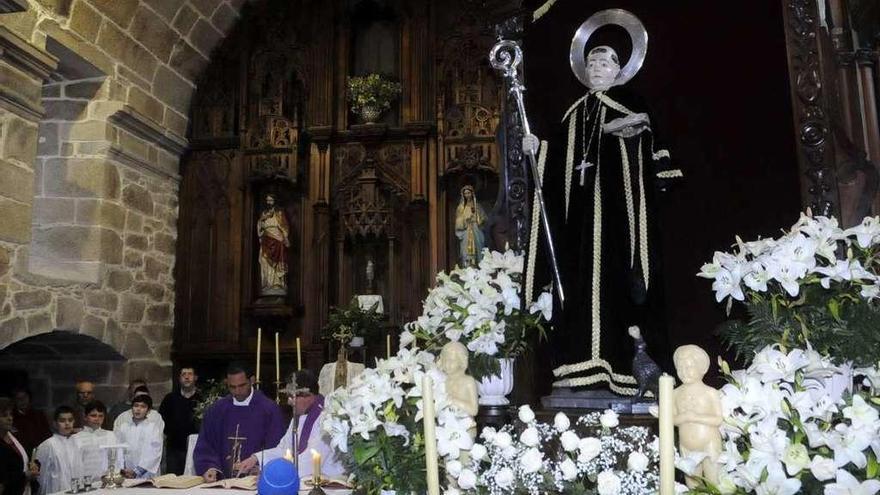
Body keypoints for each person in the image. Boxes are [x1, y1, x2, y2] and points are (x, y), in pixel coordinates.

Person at [524, 44, 682, 395]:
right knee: (578, 286)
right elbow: (557, 158)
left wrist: (626, 130)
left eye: (604, 63)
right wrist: (538, 148)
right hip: (577, 221)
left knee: (616, 285)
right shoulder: (573, 113)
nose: (596, 68)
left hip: (616, 219)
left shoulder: (632, 102)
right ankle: (578, 364)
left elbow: (649, 143)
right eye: (591, 62)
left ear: (618, 70)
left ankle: (621, 369)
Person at [234, 369, 343, 480]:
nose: (289, 402)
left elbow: (309, 461)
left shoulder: (328, 419)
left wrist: (271, 473)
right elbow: (285, 449)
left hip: (327, 484)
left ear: (308, 395)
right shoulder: (299, 416)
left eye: (292, 396)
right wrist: (256, 458)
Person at [193, 363, 285, 481]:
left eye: (241, 386)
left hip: (255, 481)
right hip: (221, 483)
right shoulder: (216, 410)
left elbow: (277, 446)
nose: (237, 391)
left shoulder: (269, 409)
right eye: (232, 387)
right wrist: (209, 468)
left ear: (251, 380)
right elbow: (205, 445)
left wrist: (260, 466)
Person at [672, 345, 722, 487]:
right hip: (686, 446)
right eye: (680, 368)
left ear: (702, 368)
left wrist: (695, 417)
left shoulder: (710, 392)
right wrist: (684, 417)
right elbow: (672, 419)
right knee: (693, 487)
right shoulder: (675, 394)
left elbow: (718, 419)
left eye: (689, 367)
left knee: (715, 484)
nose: (684, 372)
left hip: (710, 445)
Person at [158, 367, 201, 475]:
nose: (187, 377)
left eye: (190, 374)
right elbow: (161, 421)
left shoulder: (203, 398)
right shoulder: (170, 399)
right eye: (183, 374)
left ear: (195, 377)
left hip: (197, 449)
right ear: (179, 378)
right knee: (173, 482)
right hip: (175, 449)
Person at [34, 406, 82, 495]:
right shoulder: (48, 445)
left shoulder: (77, 442)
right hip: (55, 490)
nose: (67, 423)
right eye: (62, 421)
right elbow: (41, 476)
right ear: (55, 424)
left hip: (76, 490)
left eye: (70, 420)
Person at [114, 395, 163, 479]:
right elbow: (118, 449)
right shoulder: (124, 427)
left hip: (146, 473)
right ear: (131, 408)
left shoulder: (153, 428)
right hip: (127, 473)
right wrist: (122, 469)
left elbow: (155, 452)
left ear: (148, 411)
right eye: (136, 405)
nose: (138, 409)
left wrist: (137, 471)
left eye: (143, 406)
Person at [73, 401, 123, 481]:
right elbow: (75, 464)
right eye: (93, 415)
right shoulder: (76, 438)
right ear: (85, 417)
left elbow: (116, 460)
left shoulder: (111, 435)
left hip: (107, 482)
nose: (97, 419)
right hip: (85, 483)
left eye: (100, 416)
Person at [1, 397, 36, 495]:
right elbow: (5, 478)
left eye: (11, 414)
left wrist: (35, 465)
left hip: (25, 490)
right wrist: (25, 476)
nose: (10, 418)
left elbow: (30, 455)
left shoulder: (16, 435)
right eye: (4, 415)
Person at [258, 193, 290, 295]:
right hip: (266, 239)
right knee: (264, 259)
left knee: (279, 260)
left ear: (275, 201)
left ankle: (277, 283)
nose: (269, 202)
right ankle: (268, 284)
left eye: (271, 200)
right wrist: (262, 221)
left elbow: (284, 226)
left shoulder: (279, 213)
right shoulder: (264, 213)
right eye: (267, 200)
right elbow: (260, 226)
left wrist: (284, 237)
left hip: (277, 239)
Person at [454, 185, 487, 267]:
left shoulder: (477, 206)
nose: (467, 195)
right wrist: (465, 220)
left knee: (478, 250)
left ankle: (479, 268)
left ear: (472, 193)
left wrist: (478, 219)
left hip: (476, 230)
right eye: (465, 193)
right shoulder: (461, 208)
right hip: (466, 231)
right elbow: (458, 222)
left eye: (469, 193)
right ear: (463, 195)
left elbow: (484, 218)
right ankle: (467, 269)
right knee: (466, 251)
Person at [11, 388, 51, 455]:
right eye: (19, 399)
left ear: (29, 398)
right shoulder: (12, 417)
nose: (22, 401)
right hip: (20, 455)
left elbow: (47, 435)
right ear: (15, 401)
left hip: (40, 453)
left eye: (24, 397)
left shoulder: (39, 415)